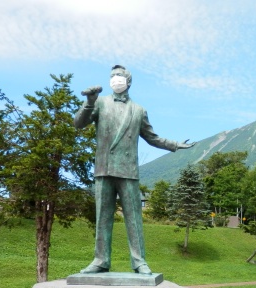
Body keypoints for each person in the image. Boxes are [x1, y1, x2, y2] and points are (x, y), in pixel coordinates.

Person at [74, 64, 195, 274]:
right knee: (103, 217)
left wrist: (174, 145)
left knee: (134, 219)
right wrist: (89, 102)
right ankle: (100, 259)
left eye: (119, 76)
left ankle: (139, 261)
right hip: (104, 168)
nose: (115, 79)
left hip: (128, 170)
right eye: (112, 76)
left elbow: (152, 138)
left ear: (128, 81)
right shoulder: (99, 103)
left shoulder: (138, 110)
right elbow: (78, 124)